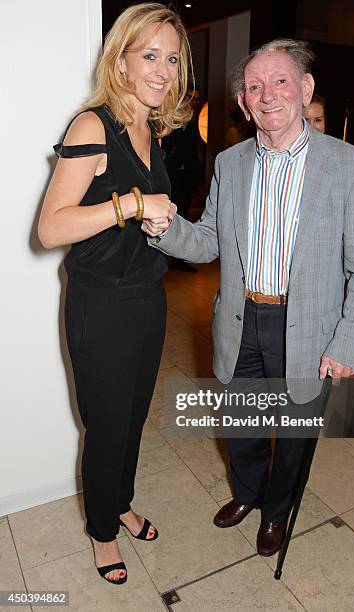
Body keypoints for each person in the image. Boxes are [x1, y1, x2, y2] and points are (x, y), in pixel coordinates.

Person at [143, 39, 354, 557]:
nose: (267, 94)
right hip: (241, 316)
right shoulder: (230, 164)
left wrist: (346, 344)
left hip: (312, 325)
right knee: (241, 423)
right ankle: (248, 493)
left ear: (305, 88)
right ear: (244, 103)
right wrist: (163, 227)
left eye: (279, 81)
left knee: (294, 435)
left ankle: (277, 510)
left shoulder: (347, 165)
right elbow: (208, 239)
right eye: (254, 87)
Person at [38, 3, 192, 584]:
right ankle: (103, 531)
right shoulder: (92, 125)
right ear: (121, 59)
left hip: (148, 301)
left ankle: (119, 502)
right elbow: (51, 228)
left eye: (172, 58)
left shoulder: (145, 127)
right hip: (99, 307)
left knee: (130, 422)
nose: (162, 69)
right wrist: (128, 206)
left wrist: (155, 220)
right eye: (149, 55)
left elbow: (133, 216)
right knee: (105, 426)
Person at [162, 89, 202, 272]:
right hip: (171, 173)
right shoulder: (169, 115)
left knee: (184, 213)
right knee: (167, 215)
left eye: (196, 99)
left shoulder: (195, 120)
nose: (193, 102)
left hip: (187, 173)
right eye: (190, 98)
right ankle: (163, 257)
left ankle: (178, 258)